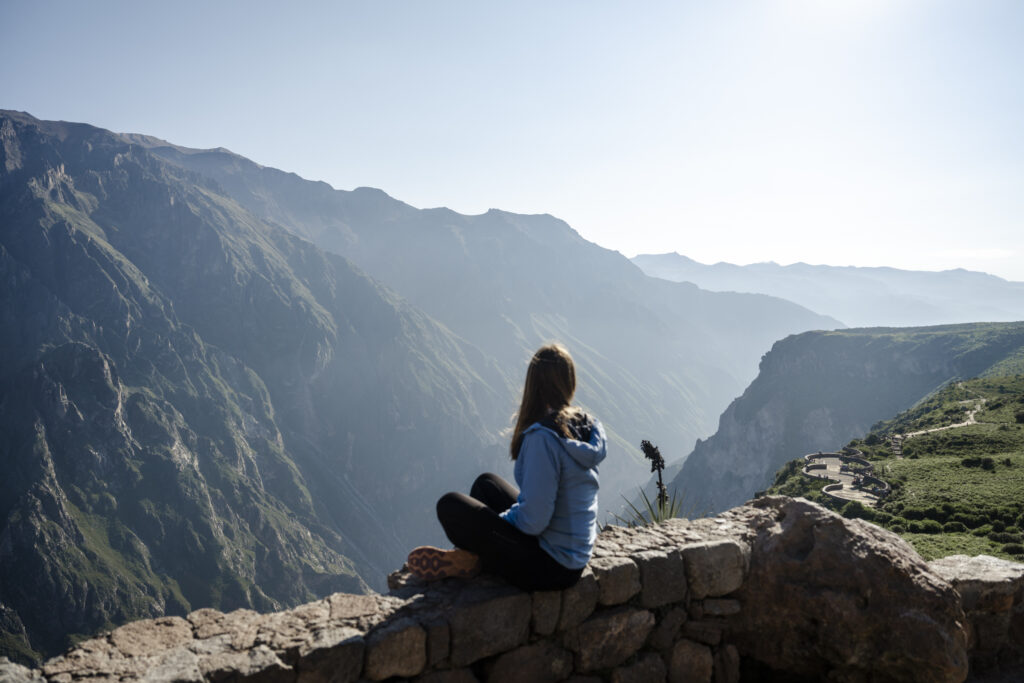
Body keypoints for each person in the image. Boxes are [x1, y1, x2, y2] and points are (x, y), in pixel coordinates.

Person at [406, 343, 607, 591]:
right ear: (569, 381)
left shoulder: (544, 438)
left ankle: (475, 560)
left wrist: (494, 524)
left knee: (450, 506)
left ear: (533, 384)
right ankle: (477, 557)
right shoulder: (586, 425)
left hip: (553, 568)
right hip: (573, 555)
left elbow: (534, 521)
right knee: (486, 484)